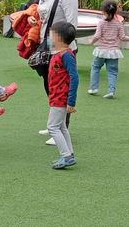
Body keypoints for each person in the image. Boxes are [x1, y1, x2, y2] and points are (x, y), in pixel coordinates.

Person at [28, 0, 78, 145]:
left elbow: (72, 24)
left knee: (60, 89)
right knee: (50, 87)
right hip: (45, 46)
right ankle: (54, 124)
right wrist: (34, 20)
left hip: (62, 48)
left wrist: (60, 46)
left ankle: (60, 128)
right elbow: (43, 15)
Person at [88, 0, 129, 98]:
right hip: (113, 52)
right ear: (115, 11)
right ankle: (111, 91)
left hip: (101, 51)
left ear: (103, 11)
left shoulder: (101, 23)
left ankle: (93, 88)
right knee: (112, 72)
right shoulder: (118, 24)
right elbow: (122, 37)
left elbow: (97, 35)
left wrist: (91, 41)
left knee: (95, 68)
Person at [46, 22, 78, 169]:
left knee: (52, 127)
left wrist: (71, 101)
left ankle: (66, 156)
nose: (50, 37)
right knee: (61, 127)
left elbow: (74, 77)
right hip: (56, 96)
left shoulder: (67, 55)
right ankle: (69, 154)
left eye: (52, 34)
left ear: (58, 37)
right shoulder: (59, 54)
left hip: (61, 97)